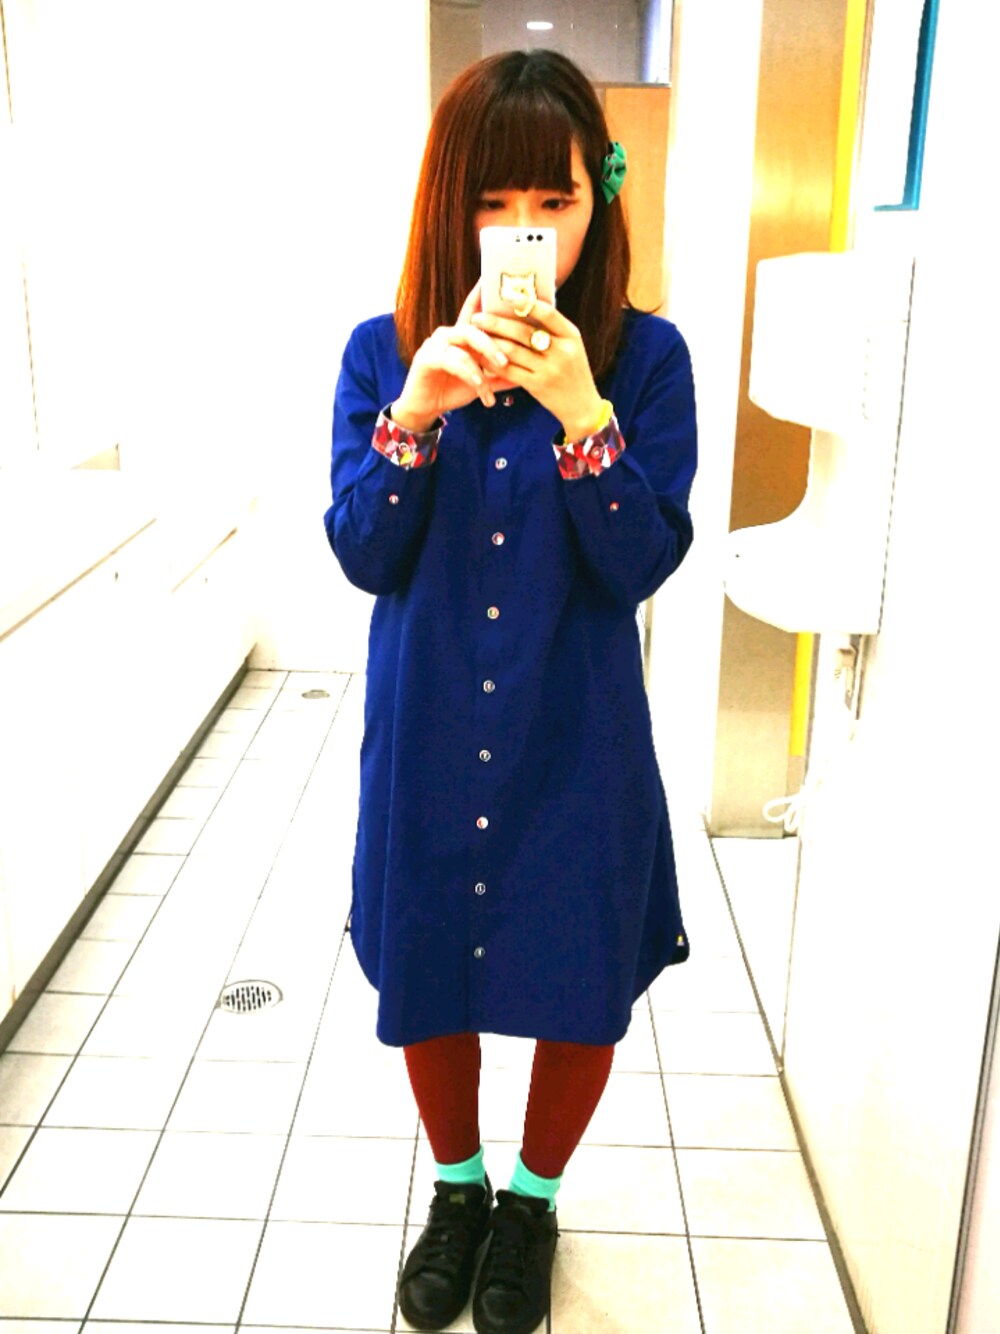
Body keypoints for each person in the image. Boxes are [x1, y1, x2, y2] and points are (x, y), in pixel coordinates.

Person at [324, 48, 697, 1334]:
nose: (525, 230)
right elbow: (362, 551)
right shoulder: (380, 353)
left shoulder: (646, 363)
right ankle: (459, 1188)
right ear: (449, 205)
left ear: (600, 201)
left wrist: (584, 413)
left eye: (554, 199)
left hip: (575, 733)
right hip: (428, 727)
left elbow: (641, 562)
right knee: (430, 955)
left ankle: (531, 1201)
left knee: (576, 967)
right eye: (493, 202)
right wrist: (416, 413)